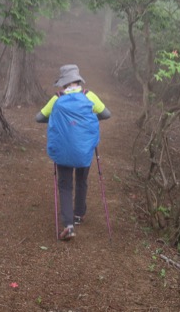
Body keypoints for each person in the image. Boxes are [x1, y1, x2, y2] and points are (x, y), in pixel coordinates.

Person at [36, 64, 111, 241]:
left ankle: (69, 225)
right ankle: (79, 214)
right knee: (82, 180)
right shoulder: (89, 96)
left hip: (63, 149)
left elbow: (38, 117)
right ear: (78, 80)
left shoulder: (57, 98)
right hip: (84, 148)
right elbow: (106, 114)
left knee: (65, 185)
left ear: (63, 83)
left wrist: (57, 118)